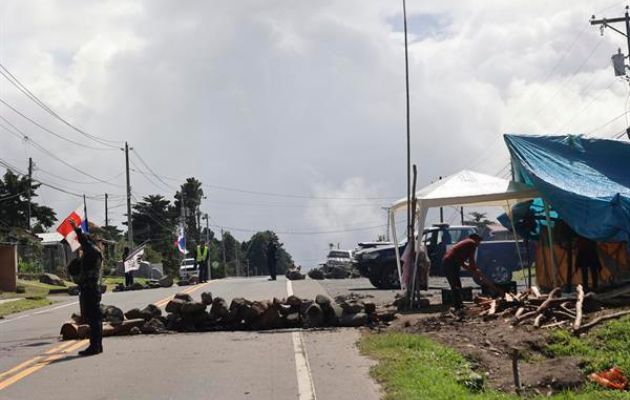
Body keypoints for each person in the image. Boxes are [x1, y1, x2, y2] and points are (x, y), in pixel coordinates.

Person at [69, 219, 103, 356]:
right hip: (92, 287)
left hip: (90, 288)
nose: (81, 246)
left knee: (93, 319)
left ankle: (94, 346)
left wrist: (76, 229)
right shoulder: (95, 251)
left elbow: (84, 241)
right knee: (95, 318)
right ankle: (97, 346)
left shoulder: (92, 251)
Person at [441, 233, 483, 309]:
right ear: (476, 239)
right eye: (479, 241)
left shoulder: (466, 243)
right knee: (455, 285)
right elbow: (471, 260)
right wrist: (475, 270)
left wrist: (472, 270)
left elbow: (462, 263)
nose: (479, 244)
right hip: (450, 262)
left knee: (457, 284)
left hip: (450, 262)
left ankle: (459, 304)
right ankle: (457, 306)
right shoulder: (472, 243)